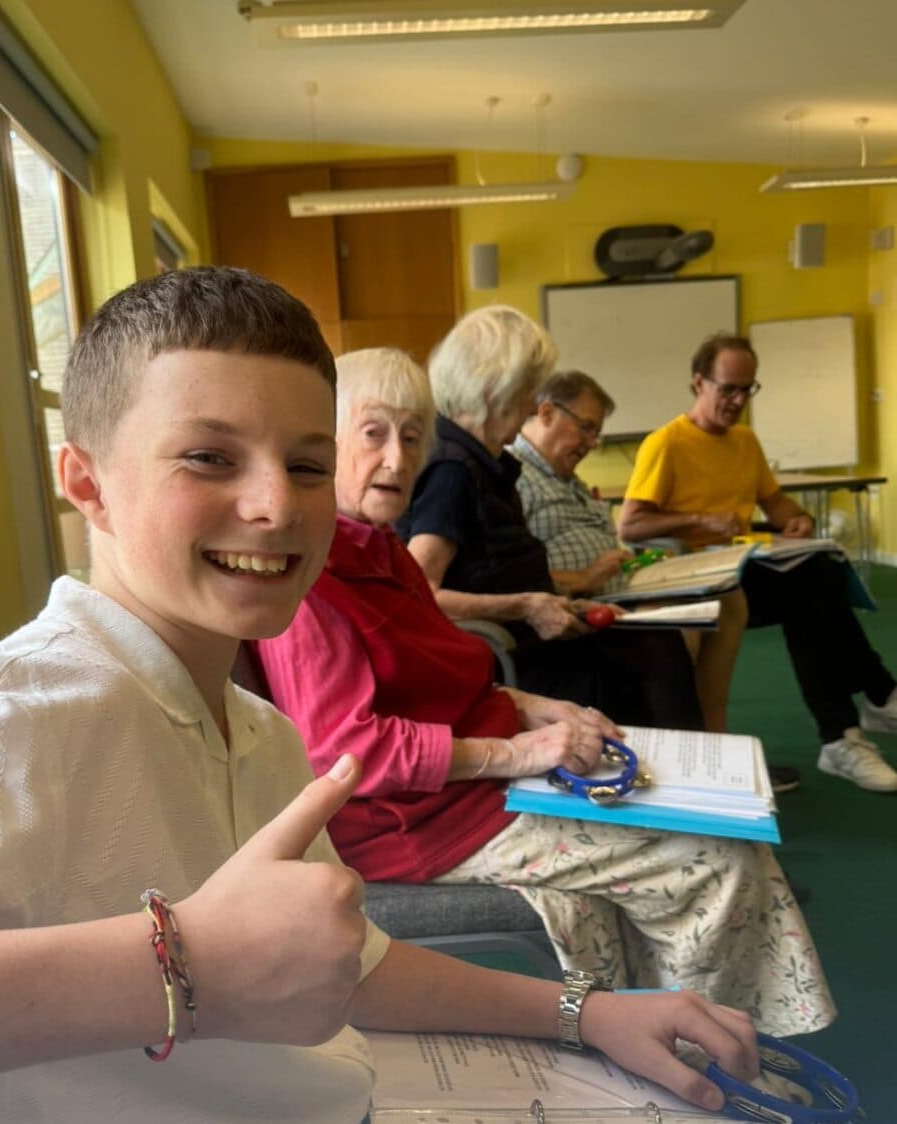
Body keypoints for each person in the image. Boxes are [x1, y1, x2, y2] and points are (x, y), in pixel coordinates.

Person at [0, 270, 766, 1124]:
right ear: (88, 484)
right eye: (208, 459)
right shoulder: (3, 715)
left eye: (308, 466)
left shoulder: (260, 733)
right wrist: (177, 969)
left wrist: (586, 1012)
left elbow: (351, 963)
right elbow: (207, 967)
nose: (278, 505)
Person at [256, 344, 835, 1042]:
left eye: (413, 437)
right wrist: (519, 752)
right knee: (720, 858)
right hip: (420, 822)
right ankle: (722, 1057)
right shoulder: (315, 584)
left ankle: (670, 1038)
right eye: (373, 432)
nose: (397, 457)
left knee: (706, 820)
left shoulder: (379, 550)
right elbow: (347, 752)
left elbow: (448, 675)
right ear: (326, 441)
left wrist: (536, 708)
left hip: (474, 789)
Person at [394, 306, 705, 731]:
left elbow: (493, 571)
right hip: (507, 658)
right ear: (494, 390)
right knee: (653, 653)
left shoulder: (482, 460)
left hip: (531, 639)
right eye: (526, 392)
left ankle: (674, 777)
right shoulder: (452, 470)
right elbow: (421, 591)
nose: (529, 406)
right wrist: (527, 605)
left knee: (655, 642)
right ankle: (673, 782)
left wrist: (558, 602)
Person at [619, 332, 897, 793]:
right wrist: (698, 519)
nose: (737, 400)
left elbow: (775, 502)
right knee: (815, 588)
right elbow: (629, 526)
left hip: (746, 569)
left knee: (817, 581)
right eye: (727, 388)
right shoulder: (665, 444)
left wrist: (799, 521)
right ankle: (873, 698)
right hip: (696, 580)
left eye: (747, 389)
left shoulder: (745, 441)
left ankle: (844, 735)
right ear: (697, 384)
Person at [509, 370, 751, 739]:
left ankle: (713, 736)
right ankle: (690, 741)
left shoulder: (563, 476)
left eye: (596, 433)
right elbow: (510, 573)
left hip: (622, 587)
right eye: (585, 428)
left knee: (728, 597)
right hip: (582, 604)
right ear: (545, 414)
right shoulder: (514, 477)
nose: (592, 443)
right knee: (667, 630)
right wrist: (584, 579)